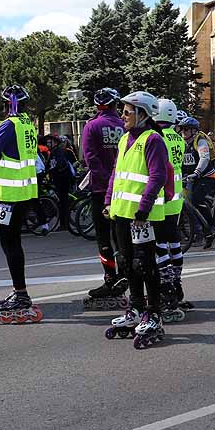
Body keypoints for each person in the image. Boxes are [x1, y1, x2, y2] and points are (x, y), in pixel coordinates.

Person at [103, 91, 172, 347]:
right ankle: (135, 308)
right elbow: (116, 173)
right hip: (121, 213)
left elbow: (157, 177)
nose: (123, 115)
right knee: (127, 262)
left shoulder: (153, 139)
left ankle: (153, 313)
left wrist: (143, 209)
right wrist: (109, 200)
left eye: (127, 111)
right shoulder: (124, 140)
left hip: (142, 217)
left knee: (145, 263)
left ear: (142, 114)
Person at [0, 85, 44, 324]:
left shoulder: (9, 124)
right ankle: (20, 292)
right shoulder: (28, 124)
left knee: (10, 243)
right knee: (13, 241)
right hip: (25, 191)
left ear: (8, 104)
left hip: (9, 194)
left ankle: (21, 293)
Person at [81, 87, 129, 310]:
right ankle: (127, 275)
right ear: (116, 104)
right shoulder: (123, 125)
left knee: (103, 238)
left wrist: (104, 181)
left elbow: (90, 158)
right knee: (122, 235)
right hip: (124, 189)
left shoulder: (92, 126)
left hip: (101, 190)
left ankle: (110, 278)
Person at [154, 98, 187, 321]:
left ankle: (166, 286)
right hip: (176, 197)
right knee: (173, 241)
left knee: (159, 245)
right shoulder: (178, 138)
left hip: (161, 198)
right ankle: (176, 280)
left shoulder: (157, 138)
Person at [178, 115, 215, 247]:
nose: (183, 131)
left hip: (206, 176)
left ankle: (211, 226)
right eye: (181, 129)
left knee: (195, 200)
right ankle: (200, 232)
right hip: (190, 177)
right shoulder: (182, 143)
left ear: (194, 130)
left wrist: (197, 172)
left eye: (186, 129)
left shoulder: (200, 141)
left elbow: (204, 158)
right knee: (183, 202)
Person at [45, 134, 75, 232]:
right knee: (61, 201)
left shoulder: (60, 152)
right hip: (57, 179)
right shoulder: (52, 152)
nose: (48, 144)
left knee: (63, 201)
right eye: (48, 142)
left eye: (50, 142)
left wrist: (52, 170)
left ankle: (64, 224)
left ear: (55, 143)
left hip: (63, 179)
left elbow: (60, 165)